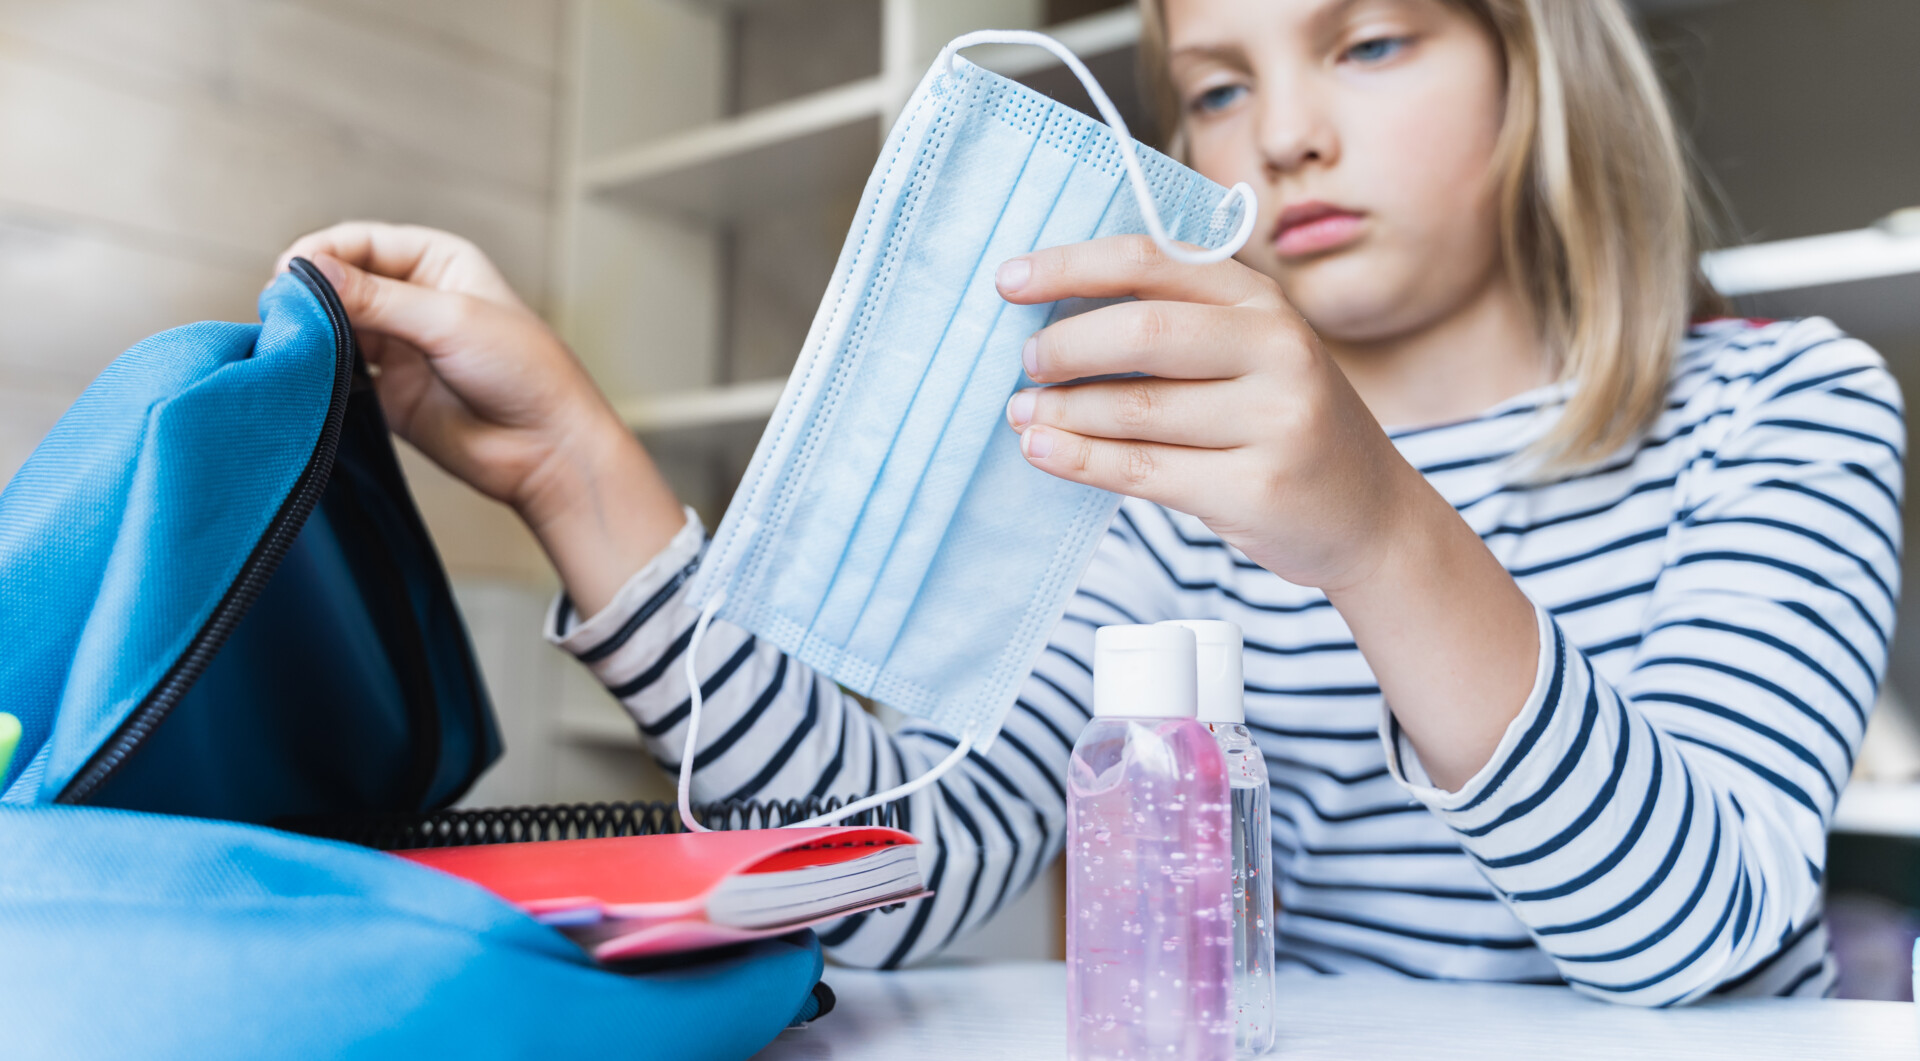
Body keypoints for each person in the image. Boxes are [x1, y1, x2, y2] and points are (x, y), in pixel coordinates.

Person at [277, 0, 1902, 1005]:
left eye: (1374, 38)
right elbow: (902, 869)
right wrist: (580, 469)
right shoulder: (1160, 483)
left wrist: (1375, 529)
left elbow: (1698, 935)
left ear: (1536, 53)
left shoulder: (1784, 409)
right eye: (1214, 86)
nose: (1289, 135)